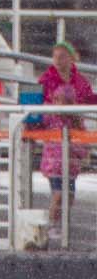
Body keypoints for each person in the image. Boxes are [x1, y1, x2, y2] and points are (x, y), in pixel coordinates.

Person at [39, 43, 95, 244]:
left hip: (70, 150)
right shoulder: (47, 80)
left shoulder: (79, 81)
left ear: (71, 59)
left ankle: (60, 223)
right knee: (58, 192)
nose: (58, 61)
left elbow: (89, 98)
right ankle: (53, 224)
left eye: (62, 56)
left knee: (69, 193)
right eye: (56, 57)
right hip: (55, 149)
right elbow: (40, 104)